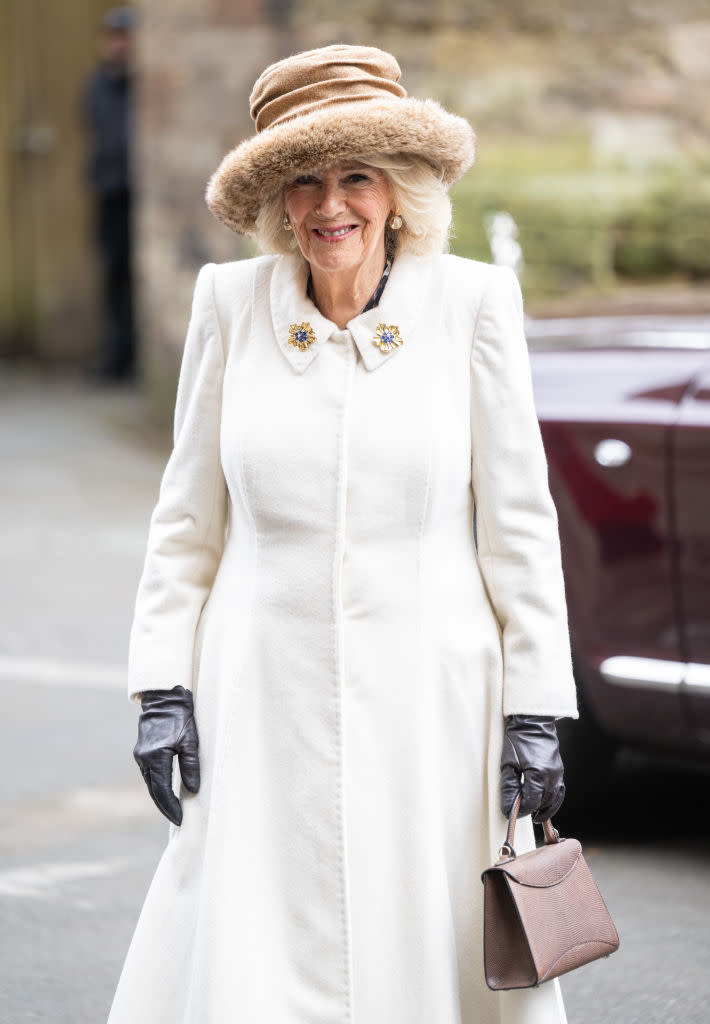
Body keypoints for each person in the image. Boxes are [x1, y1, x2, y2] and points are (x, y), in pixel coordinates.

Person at [108, 44, 578, 1024]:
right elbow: (188, 519)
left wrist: (534, 708)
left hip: (434, 707)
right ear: (277, 202)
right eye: (303, 181)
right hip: (255, 702)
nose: (331, 206)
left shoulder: (471, 304)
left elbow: (519, 525)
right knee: (254, 952)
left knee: (426, 950)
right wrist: (162, 686)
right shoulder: (226, 309)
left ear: (398, 191)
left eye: (355, 176)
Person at [82, 6, 136, 381]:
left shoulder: (145, 85)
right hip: (111, 193)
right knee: (115, 274)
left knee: (138, 274)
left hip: (138, 194)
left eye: (125, 36)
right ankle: (118, 356)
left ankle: (136, 357)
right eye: (113, 36)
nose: (118, 44)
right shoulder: (98, 84)